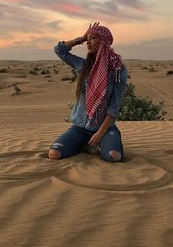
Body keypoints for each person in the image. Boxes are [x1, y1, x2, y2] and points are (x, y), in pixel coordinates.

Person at [48, 22, 128, 162]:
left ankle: (100, 143)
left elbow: (114, 108)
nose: (88, 43)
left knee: (114, 156)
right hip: (80, 127)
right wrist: (82, 38)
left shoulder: (117, 70)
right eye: (88, 39)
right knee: (54, 154)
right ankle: (83, 144)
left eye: (93, 38)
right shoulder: (83, 65)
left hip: (103, 128)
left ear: (103, 42)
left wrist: (99, 134)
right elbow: (59, 50)